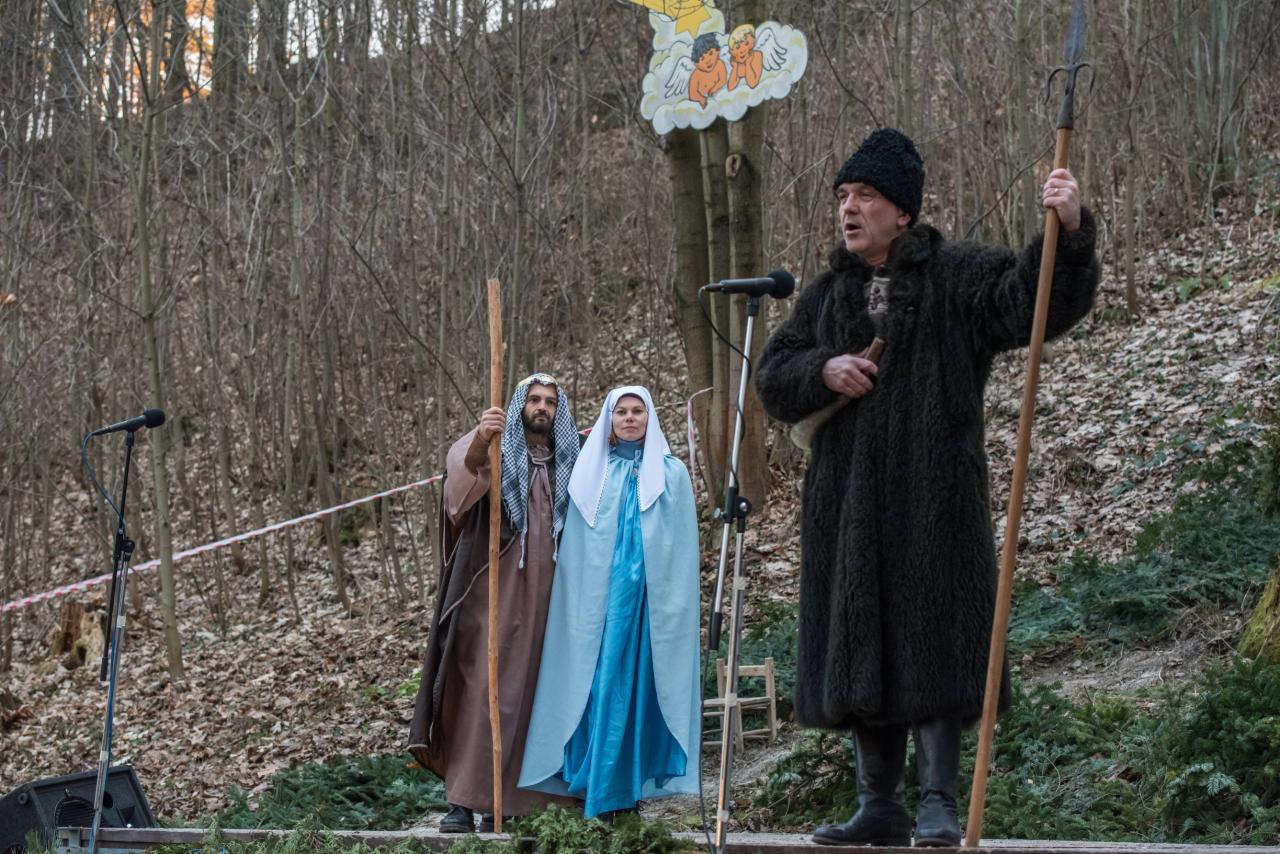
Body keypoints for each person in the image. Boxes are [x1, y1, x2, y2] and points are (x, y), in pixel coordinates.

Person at [754, 128, 1100, 847]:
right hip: (847, 507)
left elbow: (1033, 302)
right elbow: (774, 378)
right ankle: (879, 805)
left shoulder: (957, 275)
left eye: (865, 196)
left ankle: (939, 802)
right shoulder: (826, 295)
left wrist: (1067, 232)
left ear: (903, 211)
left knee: (936, 636)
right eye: (843, 196)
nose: (849, 209)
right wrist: (824, 368)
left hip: (935, 497)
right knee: (863, 641)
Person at [518, 386, 701, 820]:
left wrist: (668, 603)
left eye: (638, 411)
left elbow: (681, 550)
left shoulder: (672, 474)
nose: (630, 418)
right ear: (610, 420)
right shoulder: (591, 471)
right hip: (598, 609)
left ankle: (626, 793)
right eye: (622, 411)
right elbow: (578, 549)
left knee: (638, 694)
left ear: (650, 418)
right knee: (598, 688)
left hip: (649, 609)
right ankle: (595, 789)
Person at [408, 374, 580, 833]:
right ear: (520, 406)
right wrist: (482, 437)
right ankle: (464, 800)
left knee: (534, 697)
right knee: (482, 693)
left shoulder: (572, 461)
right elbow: (458, 495)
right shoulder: (496, 452)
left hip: (551, 603)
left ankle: (510, 805)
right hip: (494, 596)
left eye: (550, 402)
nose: (541, 407)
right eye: (534, 400)